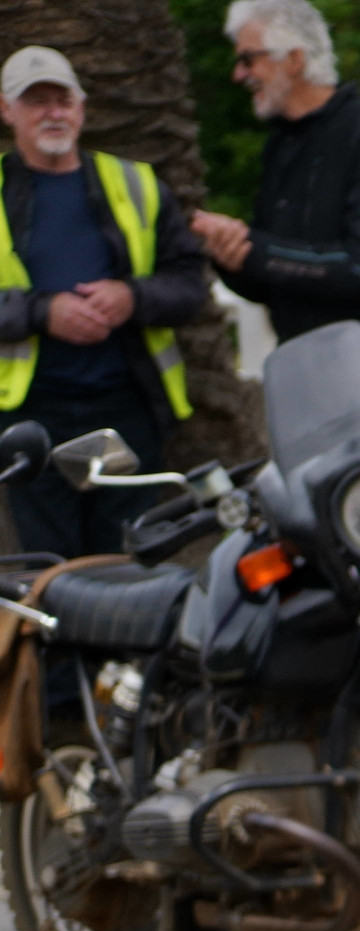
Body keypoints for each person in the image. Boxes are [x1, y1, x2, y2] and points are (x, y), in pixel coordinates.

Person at [0, 47, 206, 558]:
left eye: (62, 99)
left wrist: (131, 297)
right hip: (31, 421)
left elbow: (190, 284)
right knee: (50, 570)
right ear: (7, 111)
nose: (53, 112)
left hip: (124, 410)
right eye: (36, 101)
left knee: (126, 561)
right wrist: (44, 313)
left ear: (82, 107)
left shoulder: (137, 184)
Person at [188, 0, 360, 382]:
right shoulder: (282, 146)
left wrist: (255, 249)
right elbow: (275, 280)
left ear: (295, 59)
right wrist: (228, 252)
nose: (238, 74)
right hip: (304, 378)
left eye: (249, 59)